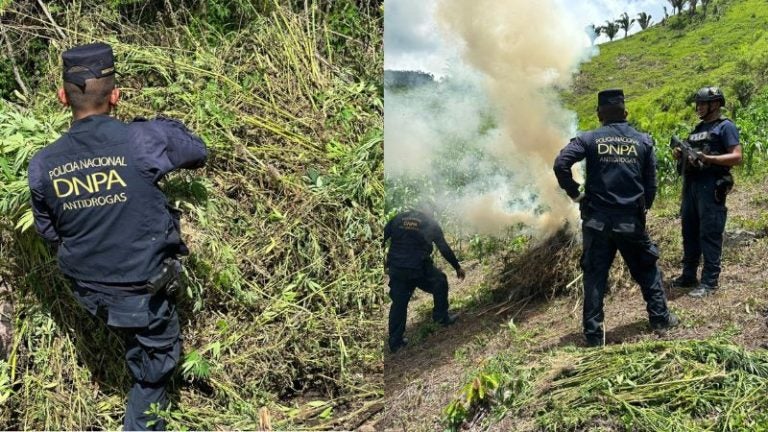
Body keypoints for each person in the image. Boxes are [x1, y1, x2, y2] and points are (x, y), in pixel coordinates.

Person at [27, 42, 207, 430]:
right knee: (154, 370)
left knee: (127, 321)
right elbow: (196, 150)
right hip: (139, 291)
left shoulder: (42, 164)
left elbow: (49, 233)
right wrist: (152, 123)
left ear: (62, 98)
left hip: (88, 291)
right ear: (116, 96)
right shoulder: (140, 140)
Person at [553, 88, 678, 347]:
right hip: (630, 221)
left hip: (597, 223)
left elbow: (561, 164)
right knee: (646, 268)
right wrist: (642, 210)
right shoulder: (643, 141)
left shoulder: (588, 139)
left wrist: (577, 195)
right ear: (625, 112)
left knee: (595, 276)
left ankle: (594, 336)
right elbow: (650, 185)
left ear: (599, 114)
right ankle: (661, 319)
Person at [671, 87, 742, 297]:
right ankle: (688, 275)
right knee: (689, 231)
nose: (699, 107)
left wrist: (709, 159)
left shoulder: (725, 127)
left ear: (715, 104)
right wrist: (679, 155)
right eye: (698, 104)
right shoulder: (698, 128)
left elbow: (737, 156)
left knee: (709, 233)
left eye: (703, 103)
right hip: (691, 185)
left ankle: (710, 282)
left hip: (711, 185)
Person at [383, 205, 465, 353]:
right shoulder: (429, 223)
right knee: (440, 281)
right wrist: (457, 267)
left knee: (399, 304)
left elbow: (380, 237)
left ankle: (395, 343)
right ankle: (441, 318)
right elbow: (443, 247)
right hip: (418, 269)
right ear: (430, 211)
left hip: (398, 269)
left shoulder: (398, 218)